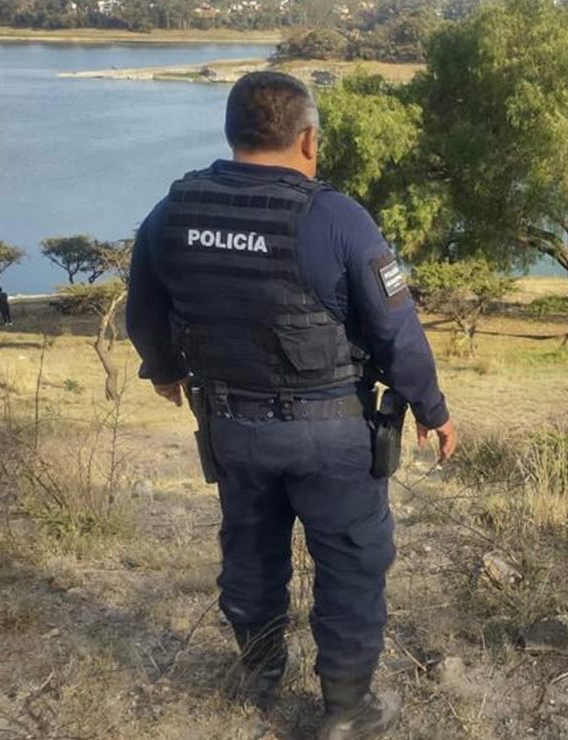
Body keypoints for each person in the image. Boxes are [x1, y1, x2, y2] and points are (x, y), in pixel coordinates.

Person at [126, 72, 456, 740]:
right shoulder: (335, 217)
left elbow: (144, 306)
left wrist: (163, 370)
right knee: (350, 564)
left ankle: (258, 676)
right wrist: (430, 407)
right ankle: (345, 710)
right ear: (307, 138)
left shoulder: (174, 210)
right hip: (330, 437)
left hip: (230, 429)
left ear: (233, 132)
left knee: (249, 551)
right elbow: (395, 330)